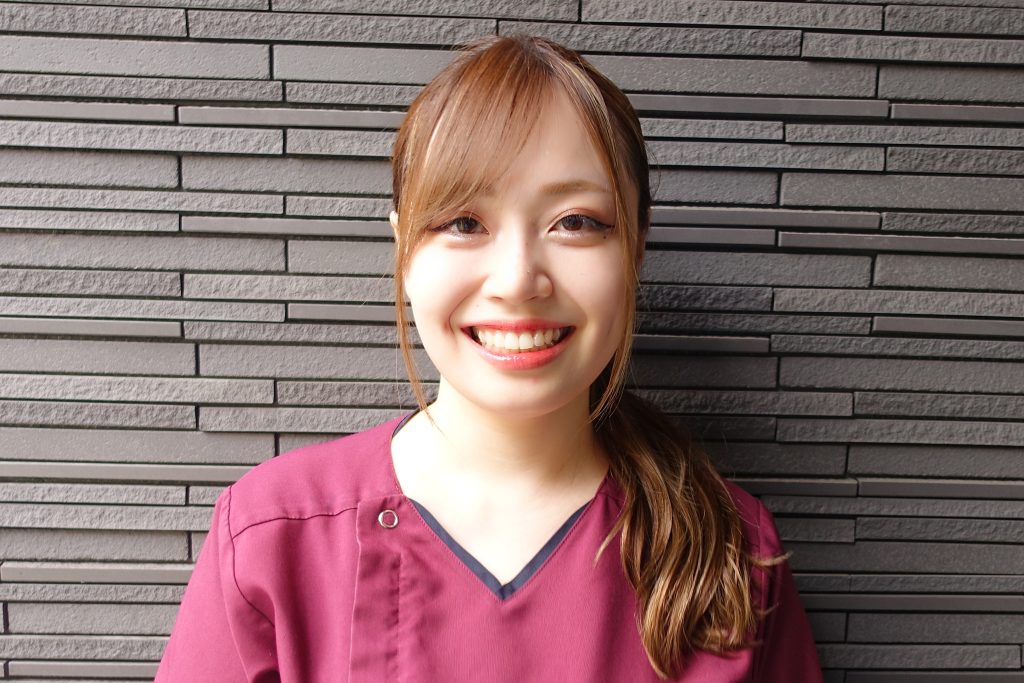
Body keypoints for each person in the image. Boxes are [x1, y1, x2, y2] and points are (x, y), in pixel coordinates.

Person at [156, 35, 823, 682]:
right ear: (404, 250)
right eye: (463, 223)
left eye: (575, 222)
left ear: (637, 246)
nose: (517, 280)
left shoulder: (734, 552)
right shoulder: (270, 537)